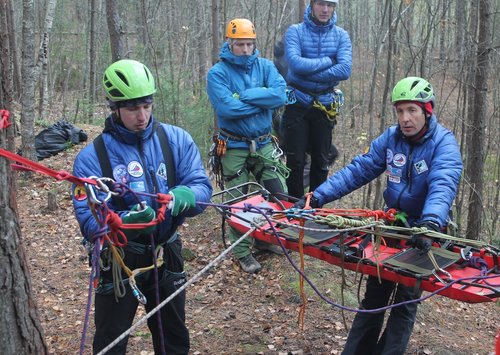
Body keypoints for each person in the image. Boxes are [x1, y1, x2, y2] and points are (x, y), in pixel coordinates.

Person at [295, 77, 463, 354]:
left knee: (404, 303)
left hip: (423, 232)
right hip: (390, 227)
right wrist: (318, 197)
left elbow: (443, 184)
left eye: (412, 110)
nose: (405, 118)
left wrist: (430, 223)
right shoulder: (391, 138)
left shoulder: (443, 144)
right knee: (375, 296)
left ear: (427, 111)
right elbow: (358, 170)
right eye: (400, 111)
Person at [72, 59, 212, 354]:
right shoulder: (92, 158)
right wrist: (125, 221)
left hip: (166, 254)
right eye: (133, 108)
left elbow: (201, 186)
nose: (142, 116)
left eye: (147, 106)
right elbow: (87, 219)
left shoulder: (175, 140)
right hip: (121, 261)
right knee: (111, 341)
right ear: (115, 108)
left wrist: (183, 196)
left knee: (173, 338)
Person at [206, 18, 288, 274]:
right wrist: (262, 98)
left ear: (254, 44)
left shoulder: (264, 66)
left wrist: (245, 95)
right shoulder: (217, 73)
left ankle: (265, 239)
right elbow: (227, 109)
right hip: (233, 145)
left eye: (248, 44)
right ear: (229, 43)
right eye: (239, 44)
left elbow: (280, 95)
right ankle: (242, 250)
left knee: (278, 192)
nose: (244, 49)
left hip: (263, 142)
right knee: (237, 199)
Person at [282, 0, 352, 198]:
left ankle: (316, 208)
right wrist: (329, 62)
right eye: (321, 4)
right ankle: (293, 208)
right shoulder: (295, 31)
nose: (325, 10)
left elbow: (345, 70)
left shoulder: (341, 36)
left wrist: (307, 72)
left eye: (330, 5)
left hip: (324, 105)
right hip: (297, 103)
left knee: (321, 162)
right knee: (295, 161)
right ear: (312, 5)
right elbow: (295, 64)